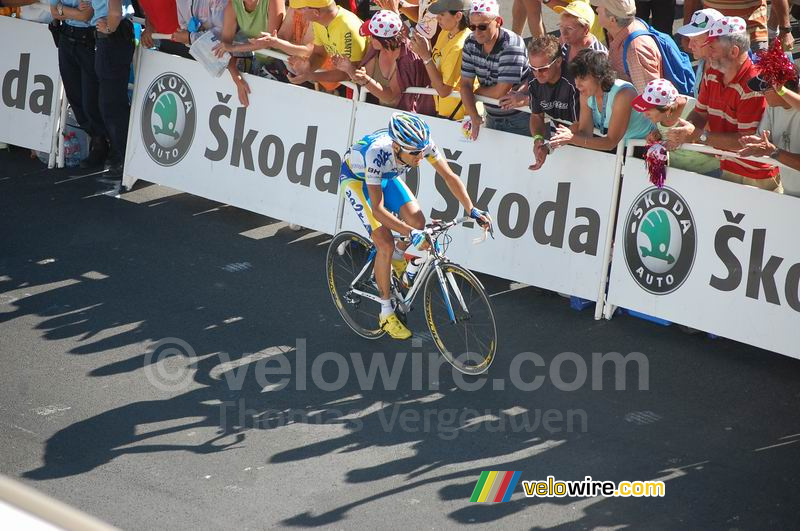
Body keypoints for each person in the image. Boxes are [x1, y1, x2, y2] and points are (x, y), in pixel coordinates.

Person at [339, 112, 492, 339]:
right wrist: (410, 233)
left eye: (422, 151)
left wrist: (471, 209)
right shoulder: (377, 154)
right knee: (385, 243)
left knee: (418, 220)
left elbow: (448, 176)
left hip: (386, 176)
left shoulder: (421, 144)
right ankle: (386, 312)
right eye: (415, 153)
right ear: (396, 147)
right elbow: (378, 210)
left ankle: (398, 259)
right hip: (357, 180)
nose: (421, 156)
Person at [667, 16, 781, 192]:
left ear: (734, 52)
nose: (708, 52)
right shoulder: (712, 73)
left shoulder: (753, 84)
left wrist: (698, 135)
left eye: (712, 48)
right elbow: (700, 113)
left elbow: (745, 141)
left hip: (757, 175)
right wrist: (683, 130)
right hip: (729, 164)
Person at [548, 48, 653, 153]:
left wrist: (572, 138)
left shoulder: (624, 94)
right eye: (576, 78)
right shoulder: (585, 93)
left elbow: (610, 142)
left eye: (583, 78)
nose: (577, 84)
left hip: (645, 146)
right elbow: (585, 133)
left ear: (599, 76)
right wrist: (557, 141)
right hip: (622, 148)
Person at [334, 10, 435, 114]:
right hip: (377, 113)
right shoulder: (376, 47)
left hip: (405, 120)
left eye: (372, 36)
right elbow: (361, 79)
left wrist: (364, 79)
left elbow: (390, 97)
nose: (369, 38)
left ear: (386, 41)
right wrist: (349, 68)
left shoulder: (408, 58)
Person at [49, 0, 111, 169]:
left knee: (90, 99)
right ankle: (98, 140)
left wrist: (63, 9)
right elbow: (54, 12)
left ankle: (101, 142)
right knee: (74, 96)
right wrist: (71, 11)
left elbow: (87, 15)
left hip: (89, 39)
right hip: (66, 37)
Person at [460, 0, 531, 139]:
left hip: (522, 119)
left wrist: (476, 92)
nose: (477, 32)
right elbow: (464, 86)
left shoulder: (512, 45)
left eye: (482, 26)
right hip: (492, 116)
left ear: (498, 21)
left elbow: (500, 92)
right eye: (472, 27)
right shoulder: (470, 41)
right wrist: (474, 117)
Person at [632, 78, 720, 175]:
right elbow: (665, 132)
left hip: (708, 174)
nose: (644, 114)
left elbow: (718, 150)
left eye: (648, 110)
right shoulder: (662, 114)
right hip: (675, 172)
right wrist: (658, 135)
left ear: (667, 110)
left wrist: (691, 138)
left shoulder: (697, 111)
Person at [90, 0, 135, 182]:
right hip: (114, 37)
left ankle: (123, 159)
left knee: (111, 104)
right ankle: (121, 156)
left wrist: (108, 29)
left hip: (113, 38)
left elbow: (115, 13)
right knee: (111, 103)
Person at [409, 0, 473, 120]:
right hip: (445, 112)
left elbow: (444, 91)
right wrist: (425, 50)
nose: (437, 18)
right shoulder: (445, 32)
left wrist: (426, 56)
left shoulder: (460, 45)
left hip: (460, 118)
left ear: (458, 16)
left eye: (442, 14)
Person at [213, 0, 285, 106]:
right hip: (258, 63)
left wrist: (234, 48)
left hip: (283, 64)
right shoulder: (233, 4)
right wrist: (236, 78)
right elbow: (224, 48)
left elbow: (269, 42)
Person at [524, 35, 580, 170]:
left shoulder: (574, 82)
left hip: (590, 141)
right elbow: (537, 115)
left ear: (559, 61)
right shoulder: (533, 79)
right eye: (532, 68)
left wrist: (548, 147)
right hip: (562, 140)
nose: (537, 74)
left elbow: (581, 125)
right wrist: (538, 139)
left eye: (543, 69)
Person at [737, 76, 800, 196]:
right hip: (789, 195)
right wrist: (758, 142)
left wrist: (773, 152)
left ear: (779, 88)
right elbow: (764, 139)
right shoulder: (771, 108)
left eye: (764, 89)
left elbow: (772, 150)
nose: (761, 94)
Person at [284, 0, 367, 88]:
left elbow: (347, 73)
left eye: (301, 8)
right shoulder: (319, 22)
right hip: (354, 84)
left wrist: (310, 76)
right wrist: (308, 66)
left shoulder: (348, 27)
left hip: (365, 88)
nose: (298, 11)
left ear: (315, 12)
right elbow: (319, 54)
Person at [591, 0, 662, 93]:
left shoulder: (634, 50)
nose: (596, 9)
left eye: (599, 8)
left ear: (612, 19)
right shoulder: (624, 29)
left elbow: (647, 96)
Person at [681, 0, 790, 52]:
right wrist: (687, 34)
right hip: (712, 38)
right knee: (714, 86)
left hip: (752, 35)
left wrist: (786, 31)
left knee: (757, 85)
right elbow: (691, 2)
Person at [675, 7, 724, 97]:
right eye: (690, 39)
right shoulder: (703, 60)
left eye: (695, 40)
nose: (690, 46)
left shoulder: (726, 72)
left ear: (713, 40)